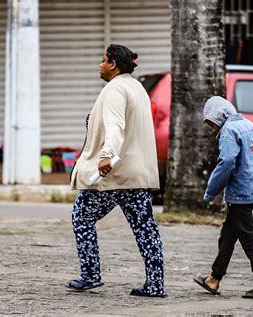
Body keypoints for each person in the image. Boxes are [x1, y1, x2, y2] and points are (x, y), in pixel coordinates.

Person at [66, 44, 165, 297]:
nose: (99, 65)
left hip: (113, 174)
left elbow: (115, 126)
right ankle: (155, 284)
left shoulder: (115, 89)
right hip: (136, 174)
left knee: (81, 216)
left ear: (113, 64)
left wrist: (106, 155)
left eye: (102, 60)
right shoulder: (137, 88)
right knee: (145, 228)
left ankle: (90, 275)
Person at [194, 96, 253, 300]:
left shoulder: (228, 131)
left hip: (239, 193)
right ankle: (214, 278)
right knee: (228, 236)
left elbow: (227, 161)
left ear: (218, 117)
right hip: (250, 191)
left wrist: (211, 190)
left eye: (211, 123)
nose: (212, 129)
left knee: (249, 239)